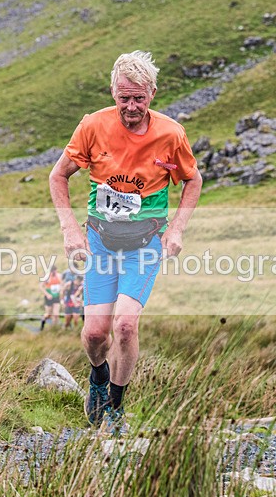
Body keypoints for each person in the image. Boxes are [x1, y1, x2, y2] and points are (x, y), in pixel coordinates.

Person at [48, 51, 202, 434]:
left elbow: (192, 180)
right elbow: (59, 176)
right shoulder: (92, 126)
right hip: (100, 241)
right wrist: (70, 229)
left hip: (144, 244)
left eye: (138, 98)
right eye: (123, 97)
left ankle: (115, 407)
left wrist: (177, 229)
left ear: (152, 93)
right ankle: (98, 377)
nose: (130, 107)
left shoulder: (170, 134)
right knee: (95, 334)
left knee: (126, 326)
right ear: (113, 92)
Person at [40, 265, 62, 330]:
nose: (54, 273)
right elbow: (41, 286)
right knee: (48, 314)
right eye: (52, 272)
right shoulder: (47, 277)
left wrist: (61, 292)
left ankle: (54, 329)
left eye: (55, 271)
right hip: (49, 297)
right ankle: (43, 320)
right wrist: (47, 294)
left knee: (56, 314)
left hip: (56, 297)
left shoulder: (59, 276)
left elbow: (61, 284)